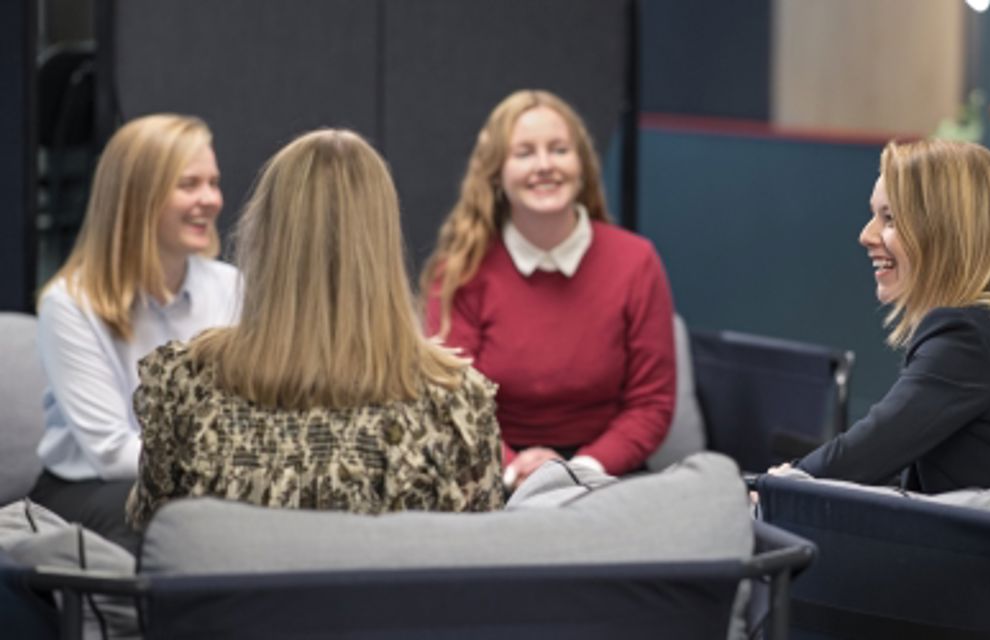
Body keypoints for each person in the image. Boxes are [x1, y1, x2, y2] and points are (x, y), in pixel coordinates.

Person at [125, 129, 505, 530]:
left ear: (263, 236)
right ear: (383, 240)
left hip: (235, 593)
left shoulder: (187, 383)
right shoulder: (455, 401)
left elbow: (156, 536)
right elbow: (478, 560)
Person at [784, 139, 990, 521]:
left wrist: (778, 485)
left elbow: (869, 451)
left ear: (943, 231)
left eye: (890, 218)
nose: (867, 234)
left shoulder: (970, 336)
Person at [421, 90, 675, 489]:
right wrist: (515, 470)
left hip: (606, 477)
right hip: (492, 477)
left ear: (582, 166)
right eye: (524, 153)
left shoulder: (636, 261)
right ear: (496, 173)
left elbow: (651, 404)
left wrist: (581, 470)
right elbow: (450, 405)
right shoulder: (459, 271)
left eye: (559, 150)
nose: (544, 166)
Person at [33, 114, 240, 550]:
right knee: (164, 517)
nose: (210, 199)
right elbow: (110, 452)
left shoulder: (230, 286)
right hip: (92, 487)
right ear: (139, 198)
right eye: (189, 185)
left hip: (204, 475)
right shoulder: (70, 304)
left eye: (213, 183)